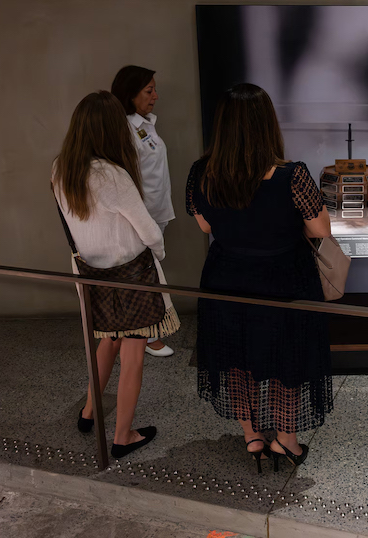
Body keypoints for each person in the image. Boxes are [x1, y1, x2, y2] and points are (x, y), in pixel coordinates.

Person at [186, 83, 333, 473]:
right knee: (287, 360)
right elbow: (320, 229)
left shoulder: (202, 172)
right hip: (283, 278)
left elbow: (204, 225)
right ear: (267, 124)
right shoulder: (292, 175)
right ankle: (286, 439)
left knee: (236, 360)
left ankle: (252, 436)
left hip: (226, 277)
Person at [52, 91, 180, 458]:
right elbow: (150, 231)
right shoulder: (112, 175)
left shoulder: (61, 167)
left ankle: (90, 411)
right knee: (134, 353)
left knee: (106, 340)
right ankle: (124, 436)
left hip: (91, 275)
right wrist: (160, 253)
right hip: (131, 277)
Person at [111, 65, 176, 358]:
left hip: (156, 210)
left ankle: (144, 332)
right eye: (149, 90)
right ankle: (147, 335)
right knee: (144, 275)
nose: (156, 96)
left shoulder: (143, 124)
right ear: (130, 94)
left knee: (149, 272)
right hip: (141, 215)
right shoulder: (124, 129)